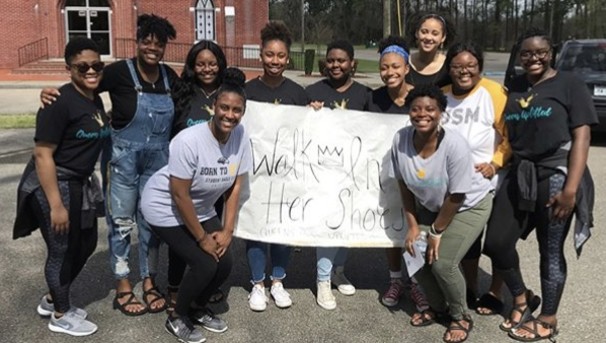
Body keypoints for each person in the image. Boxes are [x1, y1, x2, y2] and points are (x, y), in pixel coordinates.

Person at [41, 13, 179, 315]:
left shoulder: (170, 77)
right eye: (146, 42)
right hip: (124, 160)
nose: (152, 48)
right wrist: (53, 93)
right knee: (121, 223)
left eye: (159, 44)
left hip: (158, 162)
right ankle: (123, 284)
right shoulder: (118, 73)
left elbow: (190, 107)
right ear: (138, 42)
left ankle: (148, 280)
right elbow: (84, 84)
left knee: (151, 224)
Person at [483, 28, 597, 342]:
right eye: (527, 53)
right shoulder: (516, 86)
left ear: (551, 53)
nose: (534, 58)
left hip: (557, 173)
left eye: (540, 52)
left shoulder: (570, 84)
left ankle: (548, 317)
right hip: (522, 172)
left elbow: (582, 136)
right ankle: (522, 298)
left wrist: (571, 189)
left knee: (550, 249)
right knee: (496, 242)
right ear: (519, 57)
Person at [141, 67, 251, 343]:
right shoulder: (188, 141)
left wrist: (227, 230)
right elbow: (179, 195)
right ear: (213, 106)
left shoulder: (240, 137)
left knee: (224, 262)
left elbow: (236, 186)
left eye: (236, 110)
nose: (229, 115)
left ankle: (197, 307)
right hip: (164, 206)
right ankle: (177, 317)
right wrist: (202, 238)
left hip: (200, 206)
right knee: (204, 263)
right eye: (224, 107)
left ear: (243, 112)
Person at [13, 37, 109, 336]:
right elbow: (42, 155)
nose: (91, 71)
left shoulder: (92, 97)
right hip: (54, 182)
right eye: (83, 67)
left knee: (88, 242)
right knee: (62, 251)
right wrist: (56, 205)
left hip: (80, 183)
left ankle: (56, 296)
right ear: (69, 69)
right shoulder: (58, 102)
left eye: (96, 65)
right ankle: (61, 313)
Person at [392, 85, 493, 343]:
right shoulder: (400, 139)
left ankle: (461, 316)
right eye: (416, 109)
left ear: (441, 113)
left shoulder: (454, 144)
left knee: (443, 263)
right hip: (434, 207)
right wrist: (413, 227)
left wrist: (436, 232)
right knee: (414, 255)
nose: (422, 114)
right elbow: (404, 185)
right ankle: (438, 309)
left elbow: (457, 195)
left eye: (430, 109)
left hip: (469, 205)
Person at [244, 21, 309, 312]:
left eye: (281, 56)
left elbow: (308, 134)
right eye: (270, 54)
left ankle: (278, 282)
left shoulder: (298, 93)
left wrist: (316, 114)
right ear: (261, 54)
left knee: (282, 229)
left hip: (287, 174)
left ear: (288, 57)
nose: (275, 61)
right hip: (255, 173)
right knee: (256, 229)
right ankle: (257, 284)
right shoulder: (247, 91)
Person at [441, 42, 510, 315]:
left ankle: (495, 292)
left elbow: (510, 134)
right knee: (469, 242)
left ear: (479, 67)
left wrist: (497, 162)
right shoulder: (442, 95)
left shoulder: (493, 92)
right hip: (456, 186)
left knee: (495, 242)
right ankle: (471, 287)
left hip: (491, 183)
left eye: (470, 66)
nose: (464, 72)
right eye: (458, 66)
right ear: (450, 69)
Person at [365, 35, 430, 315]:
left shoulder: (420, 97)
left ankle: (416, 281)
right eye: (384, 67)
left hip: (419, 174)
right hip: (385, 175)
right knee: (391, 228)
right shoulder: (374, 98)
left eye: (395, 67)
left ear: (406, 68)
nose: (389, 72)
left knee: (415, 229)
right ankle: (395, 280)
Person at [305, 40, 371, 310]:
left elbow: (374, 131)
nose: (335, 65)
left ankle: (338, 270)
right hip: (322, 171)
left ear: (352, 63)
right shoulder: (311, 92)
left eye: (341, 60)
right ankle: (322, 280)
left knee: (346, 225)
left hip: (353, 170)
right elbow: (297, 129)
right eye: (331, 60)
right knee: (327, 225)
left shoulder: (365, 94)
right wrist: (309, 115)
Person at [167, 40, 228, 314]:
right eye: (201, 64)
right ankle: (174, 286)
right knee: (184, 237)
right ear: (192, 66)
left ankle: (206, 284)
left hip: (216, 180)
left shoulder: (227, 93)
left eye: (212, 63)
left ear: (220, 65)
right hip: (185, 180)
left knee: (211, 236)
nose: (207, 69)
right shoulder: (181, 93)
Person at [405, 13, 456, 88]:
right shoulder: (405, 62)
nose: (428, 37)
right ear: (416, 33)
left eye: (435, 34)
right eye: (424, 32)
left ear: (443, 37)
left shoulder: (449, 65)